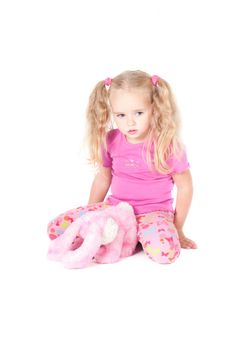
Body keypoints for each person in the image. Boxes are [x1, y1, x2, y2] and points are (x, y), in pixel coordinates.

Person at [47, 70, 197, 264]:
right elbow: (103, 178)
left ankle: (133, 236)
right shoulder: (111, 140)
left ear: (155, 108)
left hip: (154, 214)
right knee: (56, 230)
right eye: (121, 115)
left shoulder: (167, 144)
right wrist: (92, 212)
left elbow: (185, 187)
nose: (130, 122)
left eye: (139, 113)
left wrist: (178, 228)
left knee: (165, 253)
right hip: (116, 210)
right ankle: (126, 234)